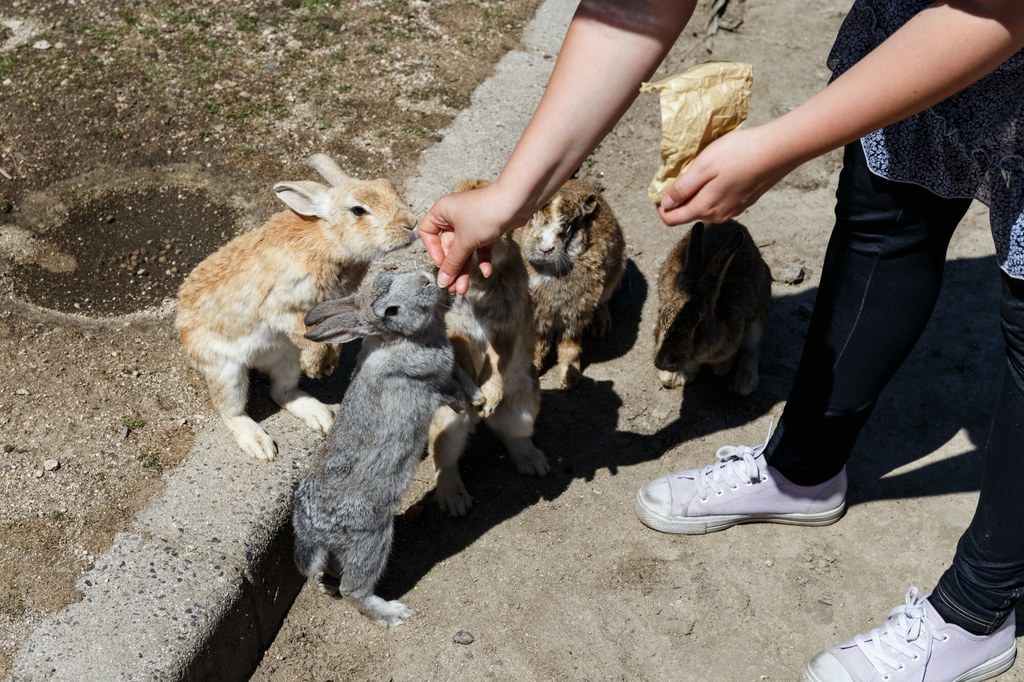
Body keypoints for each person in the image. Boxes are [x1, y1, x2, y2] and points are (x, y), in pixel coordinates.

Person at [417, 1, 1024, 680]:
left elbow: (996, 10)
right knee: (888, 216)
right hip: (917, 34)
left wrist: (781, 145)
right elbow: (633, 6)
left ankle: (980, 608)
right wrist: (510, 195)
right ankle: (804, 471)